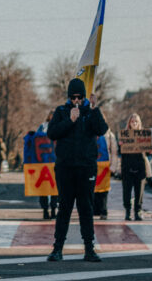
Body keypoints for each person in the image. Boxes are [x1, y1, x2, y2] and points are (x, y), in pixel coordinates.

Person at [46, 78, 108, 263]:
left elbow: (102, 129)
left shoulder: (91, 113)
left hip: (86, 167)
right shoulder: (61, 111)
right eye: (73, 97)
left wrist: (95, 109)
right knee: (64, 207)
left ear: (84, 96)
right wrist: (71, 120)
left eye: (79, 97)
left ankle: (89, 248)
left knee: (86, 208)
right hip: (65, 167)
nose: (76, 101)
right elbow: (52, 133)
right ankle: (57, 249)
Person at [119, 113, 147, 221]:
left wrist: (150, 150)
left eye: (136, 121)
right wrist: (120, 145)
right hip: (127, 168)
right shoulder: (125, 135)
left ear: (139, 123)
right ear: (129, 123)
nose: (134, 123)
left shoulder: (144, 135)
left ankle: (137, 212)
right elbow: (119, 152)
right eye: (132, 121)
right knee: (127, 191)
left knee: (139, 192)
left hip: (140, 167)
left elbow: (148, 151)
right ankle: (127, 211)